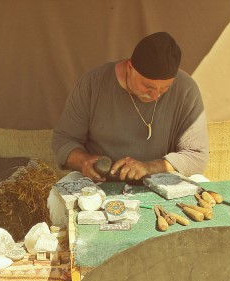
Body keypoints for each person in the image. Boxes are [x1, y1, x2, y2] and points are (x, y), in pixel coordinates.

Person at [51, 32, 209, 182]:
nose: (155, 96)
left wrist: (149, 167)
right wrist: (83, 161)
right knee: (58, 195)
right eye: (148, 86)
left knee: (199, 183)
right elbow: (64, 139)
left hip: (160, 180)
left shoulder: (186, 89)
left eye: (164, 89)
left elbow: (196, 156)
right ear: (130, 68)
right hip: (98, 182)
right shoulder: (93, 84)